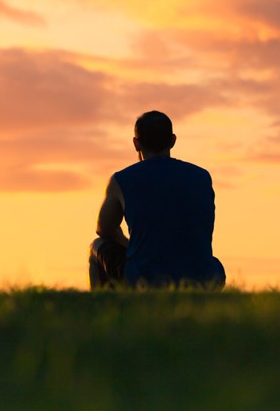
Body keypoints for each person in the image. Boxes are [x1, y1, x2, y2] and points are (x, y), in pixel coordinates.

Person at [88, 110, 225, 289]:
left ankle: (104, 309)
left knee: (97, 245)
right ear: (173, 140)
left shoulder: (122, 180)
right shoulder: (202, 177)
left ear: (136, 143)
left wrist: (128, 244)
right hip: (205, 277)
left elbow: (103, 230)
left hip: (145, 279)